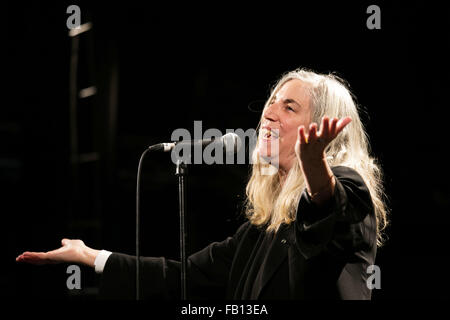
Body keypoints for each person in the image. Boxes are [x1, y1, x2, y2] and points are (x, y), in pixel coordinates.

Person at [16, 68, 388, 300]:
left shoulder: (348, 189)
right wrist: (91, 256)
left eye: (289, 107)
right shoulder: (260, 232)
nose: (269, 113)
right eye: (271, 103)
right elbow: (183, 275)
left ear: (323, 127)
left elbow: (328, 210)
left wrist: (313, 165)